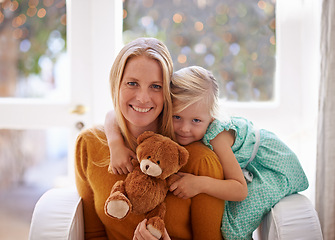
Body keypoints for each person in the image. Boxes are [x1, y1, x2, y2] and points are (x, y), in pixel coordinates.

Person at [106, 65, 309, 239]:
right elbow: (112, 113)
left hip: (273, 164)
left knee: (232, 228)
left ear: (211, 118)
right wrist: (115, 144)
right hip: (256, 162)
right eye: (177, 118)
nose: (185, 129)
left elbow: (239, 190)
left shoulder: (216, 136)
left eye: (196, 121)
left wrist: (199, 184)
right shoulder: (166, 118)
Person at [75, 38, 224, 240]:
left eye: (155, 86)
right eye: (132, 83)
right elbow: (92, 235)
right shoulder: (89, 145)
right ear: (116, 85)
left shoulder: (197, 160)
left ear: (168, 93)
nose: (143, 98)